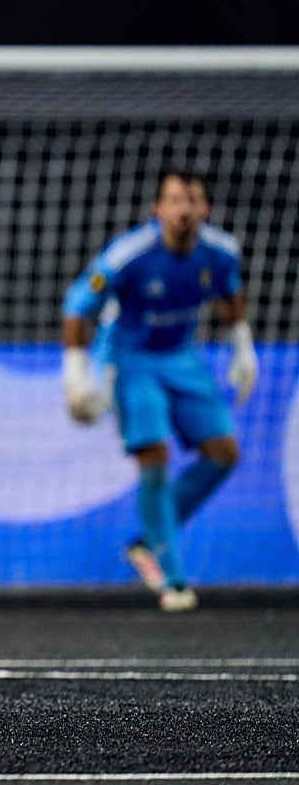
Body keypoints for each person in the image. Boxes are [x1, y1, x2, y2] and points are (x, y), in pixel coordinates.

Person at [61, 168, 258, 613]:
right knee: (156, 455)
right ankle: (173, 578)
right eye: (174, 200)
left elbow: (231, 294)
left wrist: (243, 347)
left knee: (224, 453)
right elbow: (77, 303)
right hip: (131, 359)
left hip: (183, 357)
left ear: (205, 209)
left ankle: (148, 542)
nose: (184, 209)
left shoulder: (220, 252)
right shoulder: (130, 254)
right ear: (159, 210)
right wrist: (77, 371)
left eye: (192, 200)